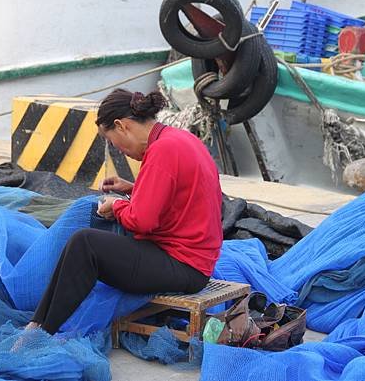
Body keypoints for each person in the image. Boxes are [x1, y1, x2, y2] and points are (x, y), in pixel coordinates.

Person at [26, 88, 223, 334]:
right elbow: (180, 195)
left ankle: (42, 331)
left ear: (121, 126)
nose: (118, 149)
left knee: (84, 243)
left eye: (111, 141)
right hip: (195, 261)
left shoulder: (161, 151)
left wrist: (116, 205)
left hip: (184, 266)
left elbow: (142, 221)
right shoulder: (180, 139)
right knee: (84, 244)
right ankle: (38, 323)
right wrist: (133, 188)